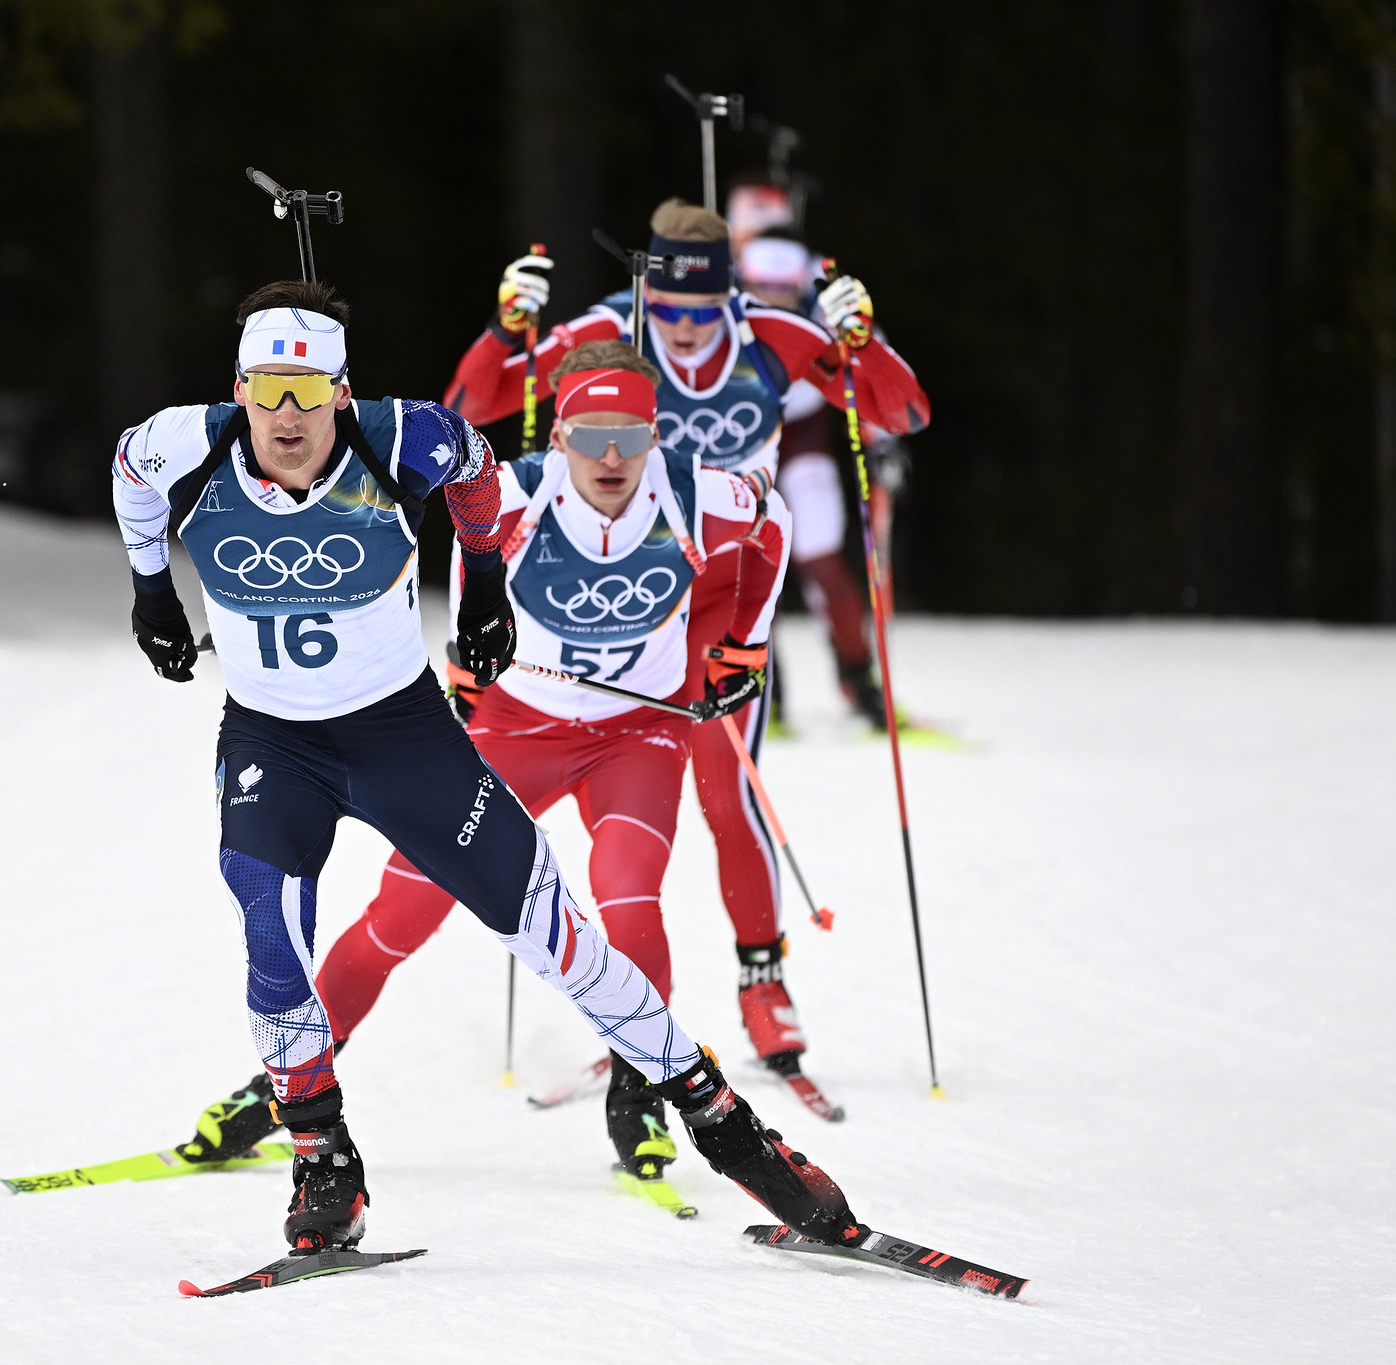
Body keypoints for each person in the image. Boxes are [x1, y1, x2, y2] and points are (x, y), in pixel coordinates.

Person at [114, 280, 866, 1255]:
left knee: (562, 943)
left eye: (309, 392)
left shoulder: (400, 438)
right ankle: (322, 1156)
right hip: (272, 741)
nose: (286, 416)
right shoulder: (183, 442)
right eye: (267, 390)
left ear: (343, 392)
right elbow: (129, 472)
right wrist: (151, 590)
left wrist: (480, 587)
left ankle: (726, 1126)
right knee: (269, 932)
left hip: (404, 739)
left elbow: (472, 466)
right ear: (239, 389)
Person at [444, 200, 931, 1083]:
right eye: (668, 308)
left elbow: (901, 413)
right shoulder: (608, 336)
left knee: (725, 785)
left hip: (726, 589)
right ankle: (633, 1015)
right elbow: (471, 407)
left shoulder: (773, 337)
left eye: (703, 309)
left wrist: (863, 340)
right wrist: (505, 328)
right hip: (634, 594)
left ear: (730, 294)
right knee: (620, 805)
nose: (685, 327)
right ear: (648, 293)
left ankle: (763, 982)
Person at [736, 233, 888, 726]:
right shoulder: (726, 316)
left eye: (783, 289)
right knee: (748, 567)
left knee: (821, 557)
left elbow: (873, 368)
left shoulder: (822, 316)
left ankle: (860, 680)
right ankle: (762, 690)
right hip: (743, 449)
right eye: (761, 287)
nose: (772, 299)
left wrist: (883, 444)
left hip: (804, 443)